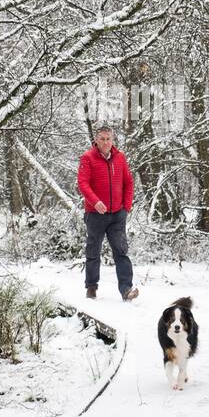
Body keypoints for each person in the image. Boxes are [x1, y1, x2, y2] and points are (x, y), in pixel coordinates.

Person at [77, 126, 138, 301]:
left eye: (108, 139)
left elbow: (128, 183)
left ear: (113, 140)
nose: (106, 142)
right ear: (96, 140)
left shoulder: (120, 158)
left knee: (121, 251)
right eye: (102, 138)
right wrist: (95, 202)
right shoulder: (87, 158)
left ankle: (126, 290)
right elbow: (83, 183)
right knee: (93, 251)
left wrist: (126, 207)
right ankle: (91, 287)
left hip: (117, 214)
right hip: (95, 215)